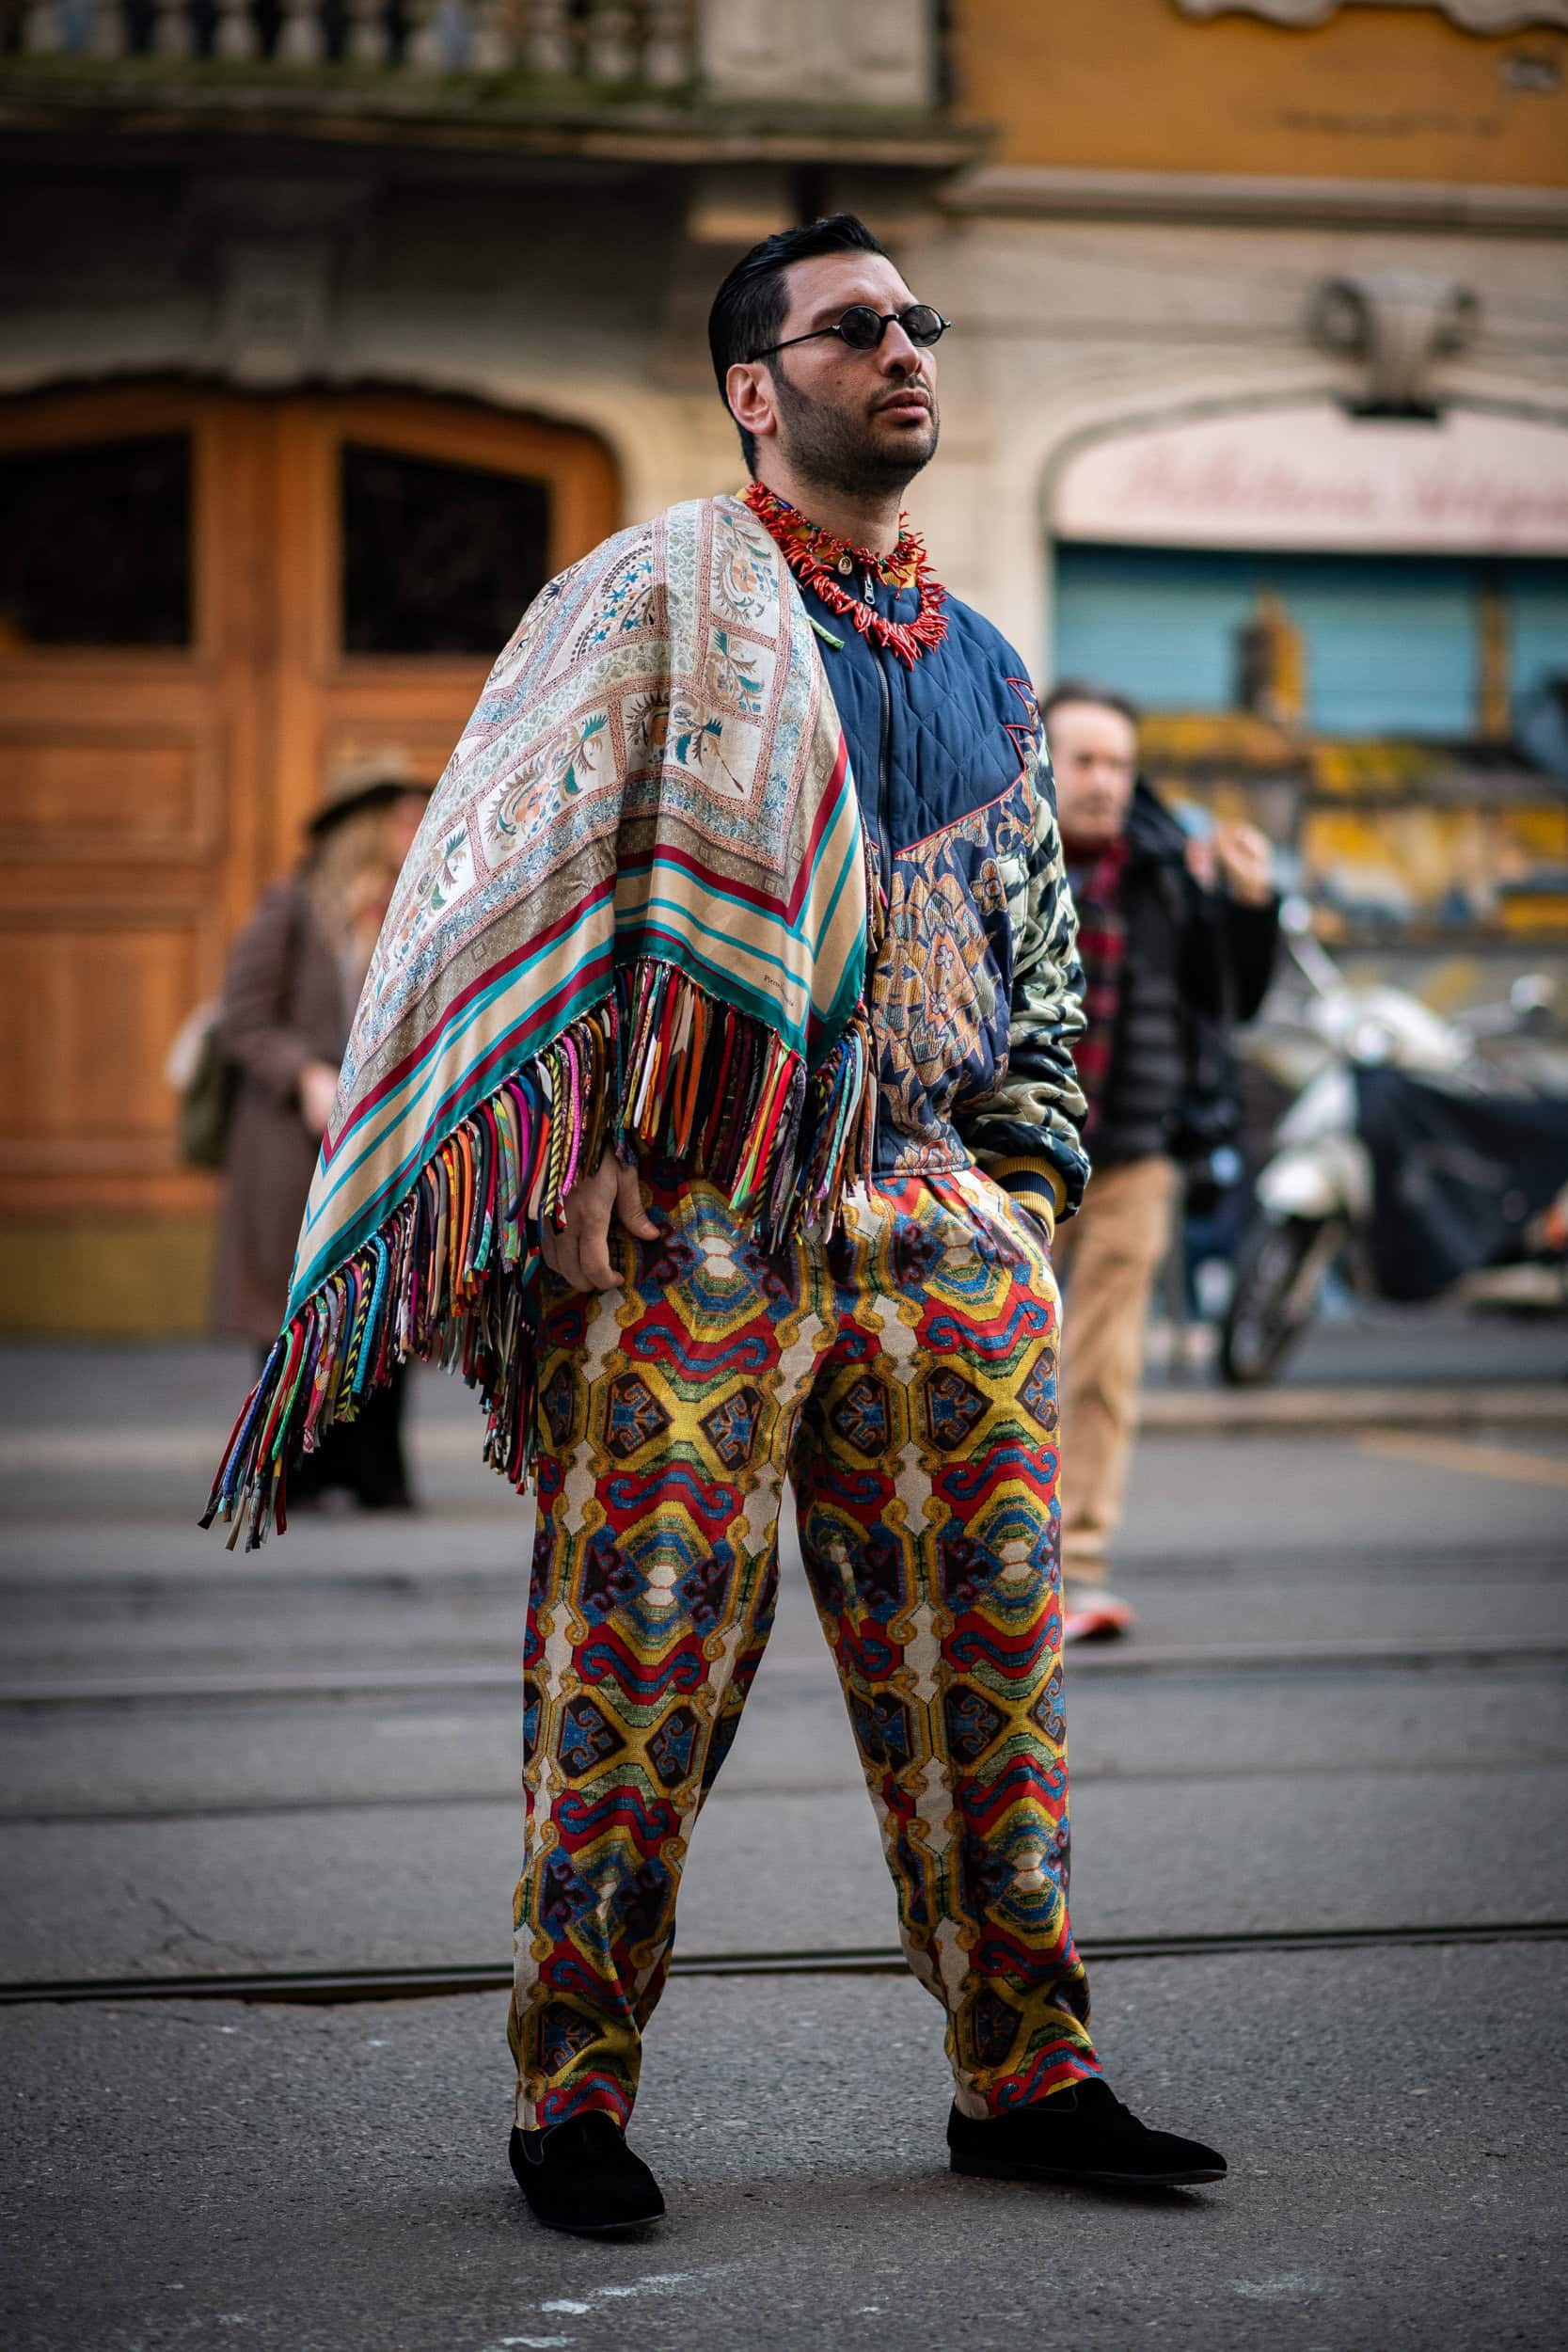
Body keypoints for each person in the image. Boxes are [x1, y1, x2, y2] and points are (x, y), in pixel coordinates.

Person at [206, 216, 1227, 2231]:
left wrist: (1014, 1196)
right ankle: (569, 2099)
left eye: (917, 323)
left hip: (930, 1226)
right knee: (633, 1671)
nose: (902, 350)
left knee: (990, 1679)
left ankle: (1025, 2067)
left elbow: (1039, 952)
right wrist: (569, 1139)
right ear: (755, 388)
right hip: (683, 1231)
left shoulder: (989, 660)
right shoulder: (641, 599)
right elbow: (507, 876)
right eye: (854, 328)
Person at [1041, 684, 1280, 1641]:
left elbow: (1236, 997)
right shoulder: (992, 855)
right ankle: (976, 1564)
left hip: (1131, 1156)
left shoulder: (1165, 872)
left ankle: (1078, 1565)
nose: (1100, 782)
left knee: (1101, 1366)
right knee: (985, 1361)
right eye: (1082, 760)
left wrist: (1250, 903)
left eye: (1116, 764)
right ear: (1039, 758)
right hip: (1008, 1158)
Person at [210, 755, 429, 1511]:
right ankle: (290, 1471)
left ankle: (374, 1471)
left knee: (379, 1300)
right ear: (365, 830)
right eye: (402, 816)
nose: (417, 829)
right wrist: (304, 1072)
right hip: (289, 1145)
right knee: (290, 1308)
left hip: (379, 1144)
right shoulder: (294, 907)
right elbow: (243, 1019)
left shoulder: (423, 907)